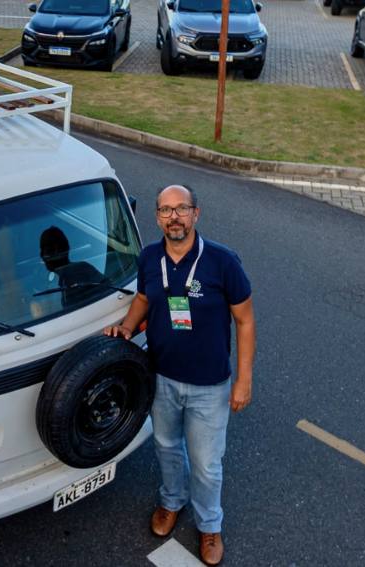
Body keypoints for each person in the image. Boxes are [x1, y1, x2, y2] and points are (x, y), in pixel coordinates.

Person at [103, 185, 255, 566]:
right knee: (167, 447)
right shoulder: (149, 258)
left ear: (196, 214)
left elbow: (245, 320)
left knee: (206, 463)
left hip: (210, 386)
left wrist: (244, 379)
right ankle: (172, 501)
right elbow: (144, 298)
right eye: (166, 210)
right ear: (157, 218)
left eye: (182, 209)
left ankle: (209, 525)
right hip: (162, 379)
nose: (174, 217)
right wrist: (127, 327)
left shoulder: (222, 262)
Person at [39, 226, 104, 307]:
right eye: (48, 251)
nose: (42, 255)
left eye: (60, 249)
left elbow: (106, 288)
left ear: (64, 250)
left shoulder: (83, 270)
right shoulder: (45, 282)